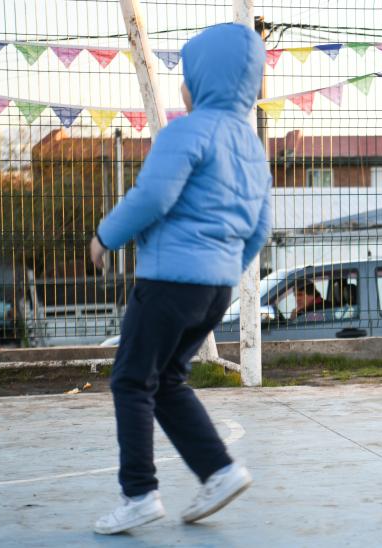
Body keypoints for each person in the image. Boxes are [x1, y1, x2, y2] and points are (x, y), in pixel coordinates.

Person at [89, 23, 272, 535]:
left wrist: (106, 236)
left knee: (130, 379)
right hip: (214, 290)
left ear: (205, 82)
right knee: (166, 380)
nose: (182, 87)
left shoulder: (187, 132)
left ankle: (140, 493)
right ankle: (219, 469)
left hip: (169, 281)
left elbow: (151, 198)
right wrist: (223, 270)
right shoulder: (251, 147)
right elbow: (260, 227)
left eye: (187, 77)